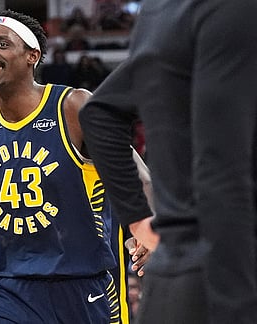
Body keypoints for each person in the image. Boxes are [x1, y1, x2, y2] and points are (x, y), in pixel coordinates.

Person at [0, 9, 150, 323]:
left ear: (33, 55)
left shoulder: (74, 107)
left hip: (85, 286)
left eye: (1, 44)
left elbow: (139, 177)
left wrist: (148, 228)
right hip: (7, 289)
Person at [79, 0, 257, 323]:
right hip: (230, 271)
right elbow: (221, 168)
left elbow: (100, 112)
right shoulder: (234, 11)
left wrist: (138, 220)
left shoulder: (160, 11)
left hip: (177, 274)